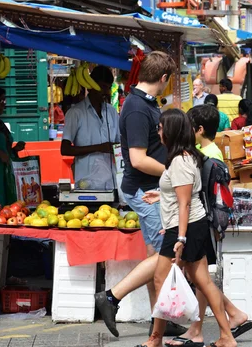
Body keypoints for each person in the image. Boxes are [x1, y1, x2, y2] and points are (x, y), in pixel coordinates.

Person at [95, 51, 187, 338]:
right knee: (164, 256)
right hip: (144, 190)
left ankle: (159, 317)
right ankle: (111, 296)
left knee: (155, 254)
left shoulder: (145, 103)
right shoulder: (136, 108)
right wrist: (172, 172)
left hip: (152, 187)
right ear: (162, 79)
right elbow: (137, 159)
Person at [137, 109, 238, 347]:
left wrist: (180, 237)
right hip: (190, 225)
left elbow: (185, 202)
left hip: (186, 228)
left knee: (162, 279)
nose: (158, 132)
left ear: (170, 131)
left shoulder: (181, 160)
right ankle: (226, 336)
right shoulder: (183, 157)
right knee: (202, 280)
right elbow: (181, 195)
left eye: (160, 128)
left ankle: (155, 339)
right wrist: (161, 194)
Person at [61, 66, 120, 190]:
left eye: (108, 88)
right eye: (103, 87)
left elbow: (118, 144)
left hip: (111, 183)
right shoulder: (76, 113)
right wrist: (99, 147)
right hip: (86, 184)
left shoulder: (112, 112)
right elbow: (65, 149)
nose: (106, 92)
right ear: (90, 86)